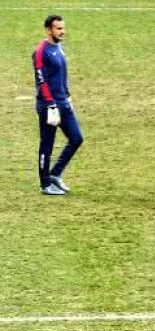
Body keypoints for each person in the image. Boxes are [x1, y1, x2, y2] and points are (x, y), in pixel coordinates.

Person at [33, 15, 83, 196]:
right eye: (58, 28)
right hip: (49, 106)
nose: (62, 31)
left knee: (77, 138)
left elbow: (61, 76)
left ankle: (55, 173)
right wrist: (51, 104)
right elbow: (41, 80)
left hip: (63, 102)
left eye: (63, 28)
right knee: (47, 144)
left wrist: (67, 97)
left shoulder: (58, 47)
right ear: (48, 30)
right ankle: (45, 184)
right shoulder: (41, 51)